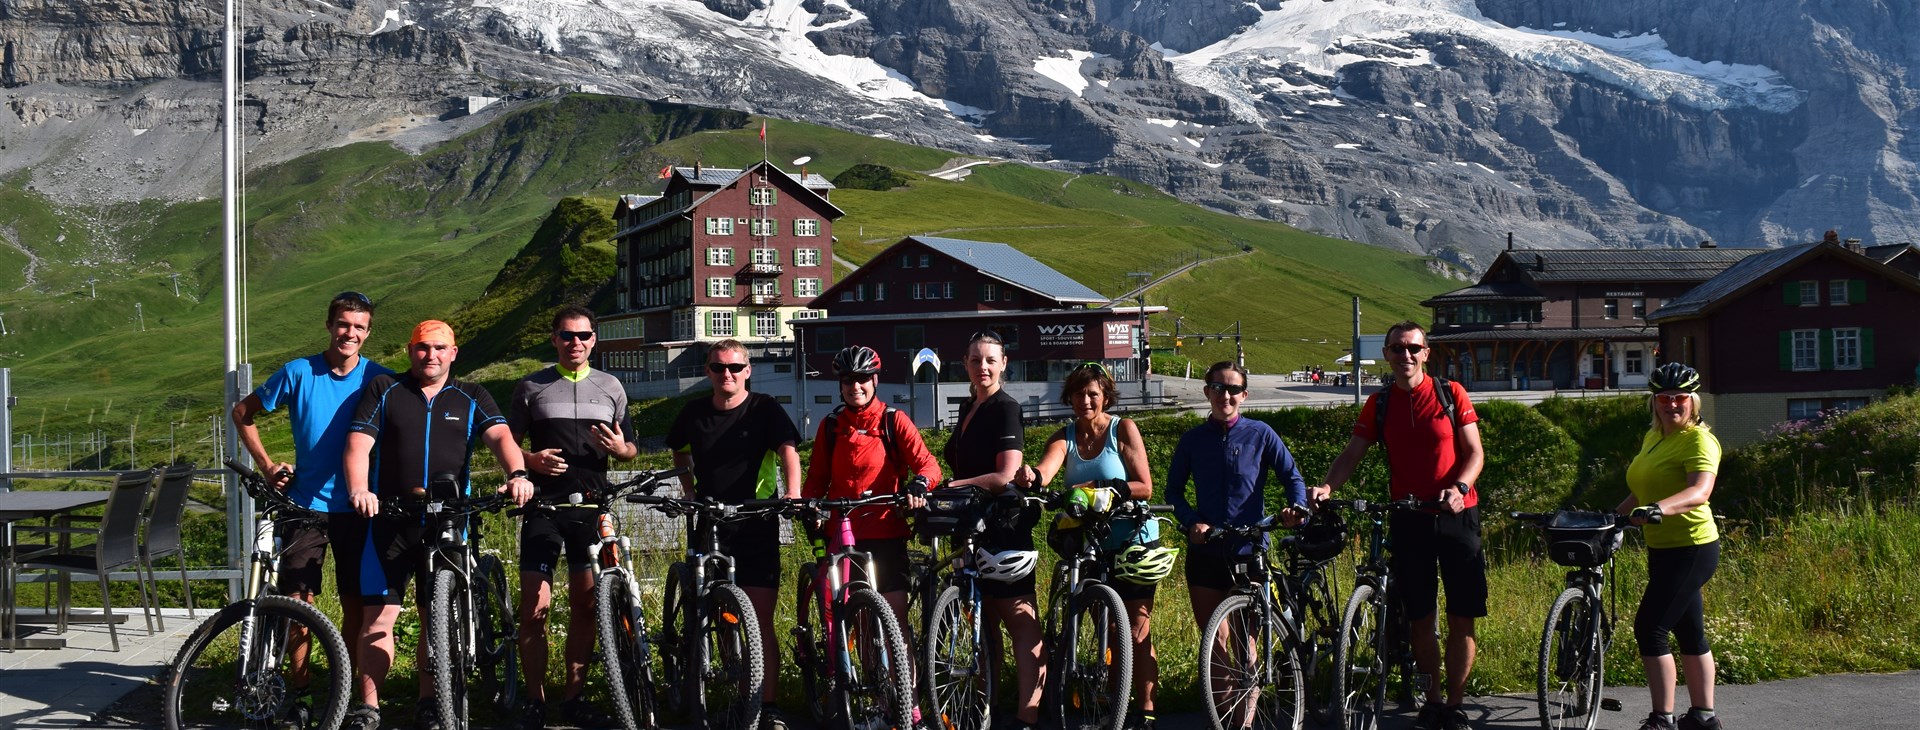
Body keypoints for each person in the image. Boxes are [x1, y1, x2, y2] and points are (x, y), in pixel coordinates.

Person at [341, 320, 536, 730]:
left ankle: (429, 702)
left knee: (437, 617)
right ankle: (370, 708)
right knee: (378, 619)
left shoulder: (471, 395)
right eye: (422, 347)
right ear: (410, 351)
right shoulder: (385, 390)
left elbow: (501, 437)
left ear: (453, 352)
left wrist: (518, 473)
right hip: (390, 520)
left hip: (448, 520)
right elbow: (359, 444)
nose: (430, 355)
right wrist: (360, 489)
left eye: (439, 348)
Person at [1311, 320, 1486, 730]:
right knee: (1420, 618)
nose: (1404, 355)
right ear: (1386, 355)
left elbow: (1475, 453)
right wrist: (1326, 486)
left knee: (1462, 616)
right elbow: (1352, 453)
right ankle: (1434, 699)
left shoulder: (1451, 393)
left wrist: (1460, 488)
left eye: (1413, 348)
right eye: (1396, 349)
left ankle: (1455, 705)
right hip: (1409, 518)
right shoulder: (1380, 403)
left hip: (1458, 515)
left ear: (1426, 353)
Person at [231, 291, 393, 724]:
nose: (350, 333)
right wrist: (266, 466)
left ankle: (346, 692)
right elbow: (242, 412)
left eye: (359, 327)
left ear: (368, 332)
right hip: (304, 507)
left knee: (357, 607)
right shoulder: (299, 371)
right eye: (344, 324)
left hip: (360, 509)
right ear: (329, 325)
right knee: (298, 607)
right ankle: (301, 695)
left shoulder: (380, 378)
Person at [1016, 362, 1166, 730]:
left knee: (1135, 630)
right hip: (1091, 547)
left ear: (1105, 397)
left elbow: (1145, 485)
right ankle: (1114, 707)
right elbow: (1046, 471)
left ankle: (1145, 712)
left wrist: (1112, 489)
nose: (1086, 400)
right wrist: (1031, 477)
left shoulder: (1122, 429)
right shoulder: (1064, 436)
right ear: (1069, 397)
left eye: (1093, 394)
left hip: (1131, 543)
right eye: (1079, 394)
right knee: (1107, 630)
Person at [508, 306, 638, 730]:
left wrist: (621, 452)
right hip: (544, 508)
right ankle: (534, 700)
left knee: (585, 608)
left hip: (592, 510)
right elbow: (507, 446)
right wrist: (529, 459)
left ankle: (574, 698)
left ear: (594, 340)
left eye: (583, 335)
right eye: (566, 335)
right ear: (554, 339)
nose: (575, 343)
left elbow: (630, 447)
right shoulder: (531, 386)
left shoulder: (612, 386)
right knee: (534, 611)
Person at [665, 339, 804, 730]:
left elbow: (788, 449)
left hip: (756, 521)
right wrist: (688, 490)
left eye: (735, 367)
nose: (727, 374)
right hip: (709, 522)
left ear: (748, 370)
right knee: (718, 614)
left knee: (759, 621)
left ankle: (769, 705)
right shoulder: (693, 412)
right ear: (708, 371)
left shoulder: (764, 408)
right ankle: (734, 684)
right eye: (718, 367)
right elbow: (678, 450)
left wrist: (792, 492)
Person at [1167, 361, 1308, 712]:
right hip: (1207, 546)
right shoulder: (1193, 440)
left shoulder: (1261, 433)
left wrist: (1296, 508)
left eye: (1232, 389)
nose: (1225, 395)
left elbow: (1293, 478)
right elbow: (1173, 491)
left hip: (1249, 546)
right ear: (1207, 392)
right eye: (1217, 387)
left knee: (1247, 642)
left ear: (1244, 395)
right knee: (1214, 640)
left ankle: (1244, 717)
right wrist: (1191, 522)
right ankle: (1225, 710)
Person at [942, 330, 1044, 730]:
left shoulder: (1006, 408)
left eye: (989, 360)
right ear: (964, 364)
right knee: (980, 621)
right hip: (968, 524)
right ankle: (988, 706)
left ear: (1004, 364)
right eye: (974, 360)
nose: (982, 367)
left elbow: (1004, 475)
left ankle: (1028, 716)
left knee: (1019, 621)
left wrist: (953, 486)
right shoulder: (969, 406)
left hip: (1002, 526)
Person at [801, 345, 940, 634]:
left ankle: (904, 680)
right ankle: (863, 678)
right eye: (848, 380)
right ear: (840, 385)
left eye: (863, 379)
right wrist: (811, 505)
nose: (855, 386)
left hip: (886, 532)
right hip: (843, 536)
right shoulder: (831, 426)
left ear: (875, 381)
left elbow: (928, 465)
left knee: (895, 622)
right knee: (859, 623)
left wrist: (919, 484)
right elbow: (816, 479)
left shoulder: (893, 421)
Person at [1619, 363, 1725, 730]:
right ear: (1654, 402)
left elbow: (1700, 491)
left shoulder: (1699, 440)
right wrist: (1610, 517)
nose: (1672, 404)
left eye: (1680, 398)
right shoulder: (1655, 437)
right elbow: (1642, 489)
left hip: (1692, 546)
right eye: (1664, 398)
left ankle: (1661, 719)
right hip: (1663, 548)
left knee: (1651, 627)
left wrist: (1657, 510)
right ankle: (1703, 717)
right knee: (1689, 631)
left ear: (1693, 402)